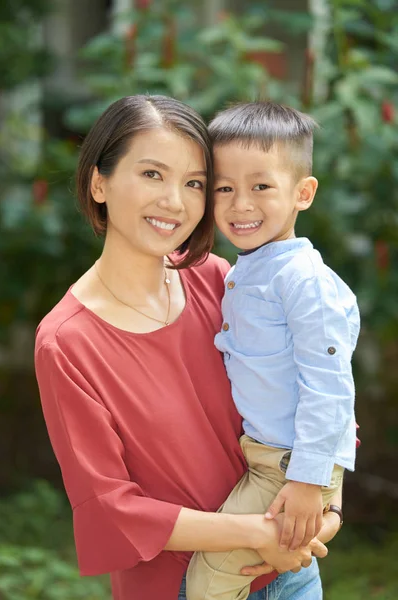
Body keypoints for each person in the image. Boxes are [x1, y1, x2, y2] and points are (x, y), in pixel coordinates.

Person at [34, 95, 339, 600]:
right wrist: (265, 534)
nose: (175, 201)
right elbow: (111, 506)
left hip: (292, 572)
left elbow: (319, 386)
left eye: (194, 183)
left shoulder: (221, 281)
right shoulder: (67, 342)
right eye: (152, 174)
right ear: (99, 182)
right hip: (176, 587)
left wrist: (323, 513)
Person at [186, 101, 360, 600]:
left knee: (209, 582)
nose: (241, 204)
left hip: (291, 465)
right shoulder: (246, 269)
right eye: (225, 188)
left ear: (303, 193)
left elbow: (329, 385)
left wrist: (308, 483)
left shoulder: (302, 280)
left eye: (261, 186)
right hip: (266, 459)